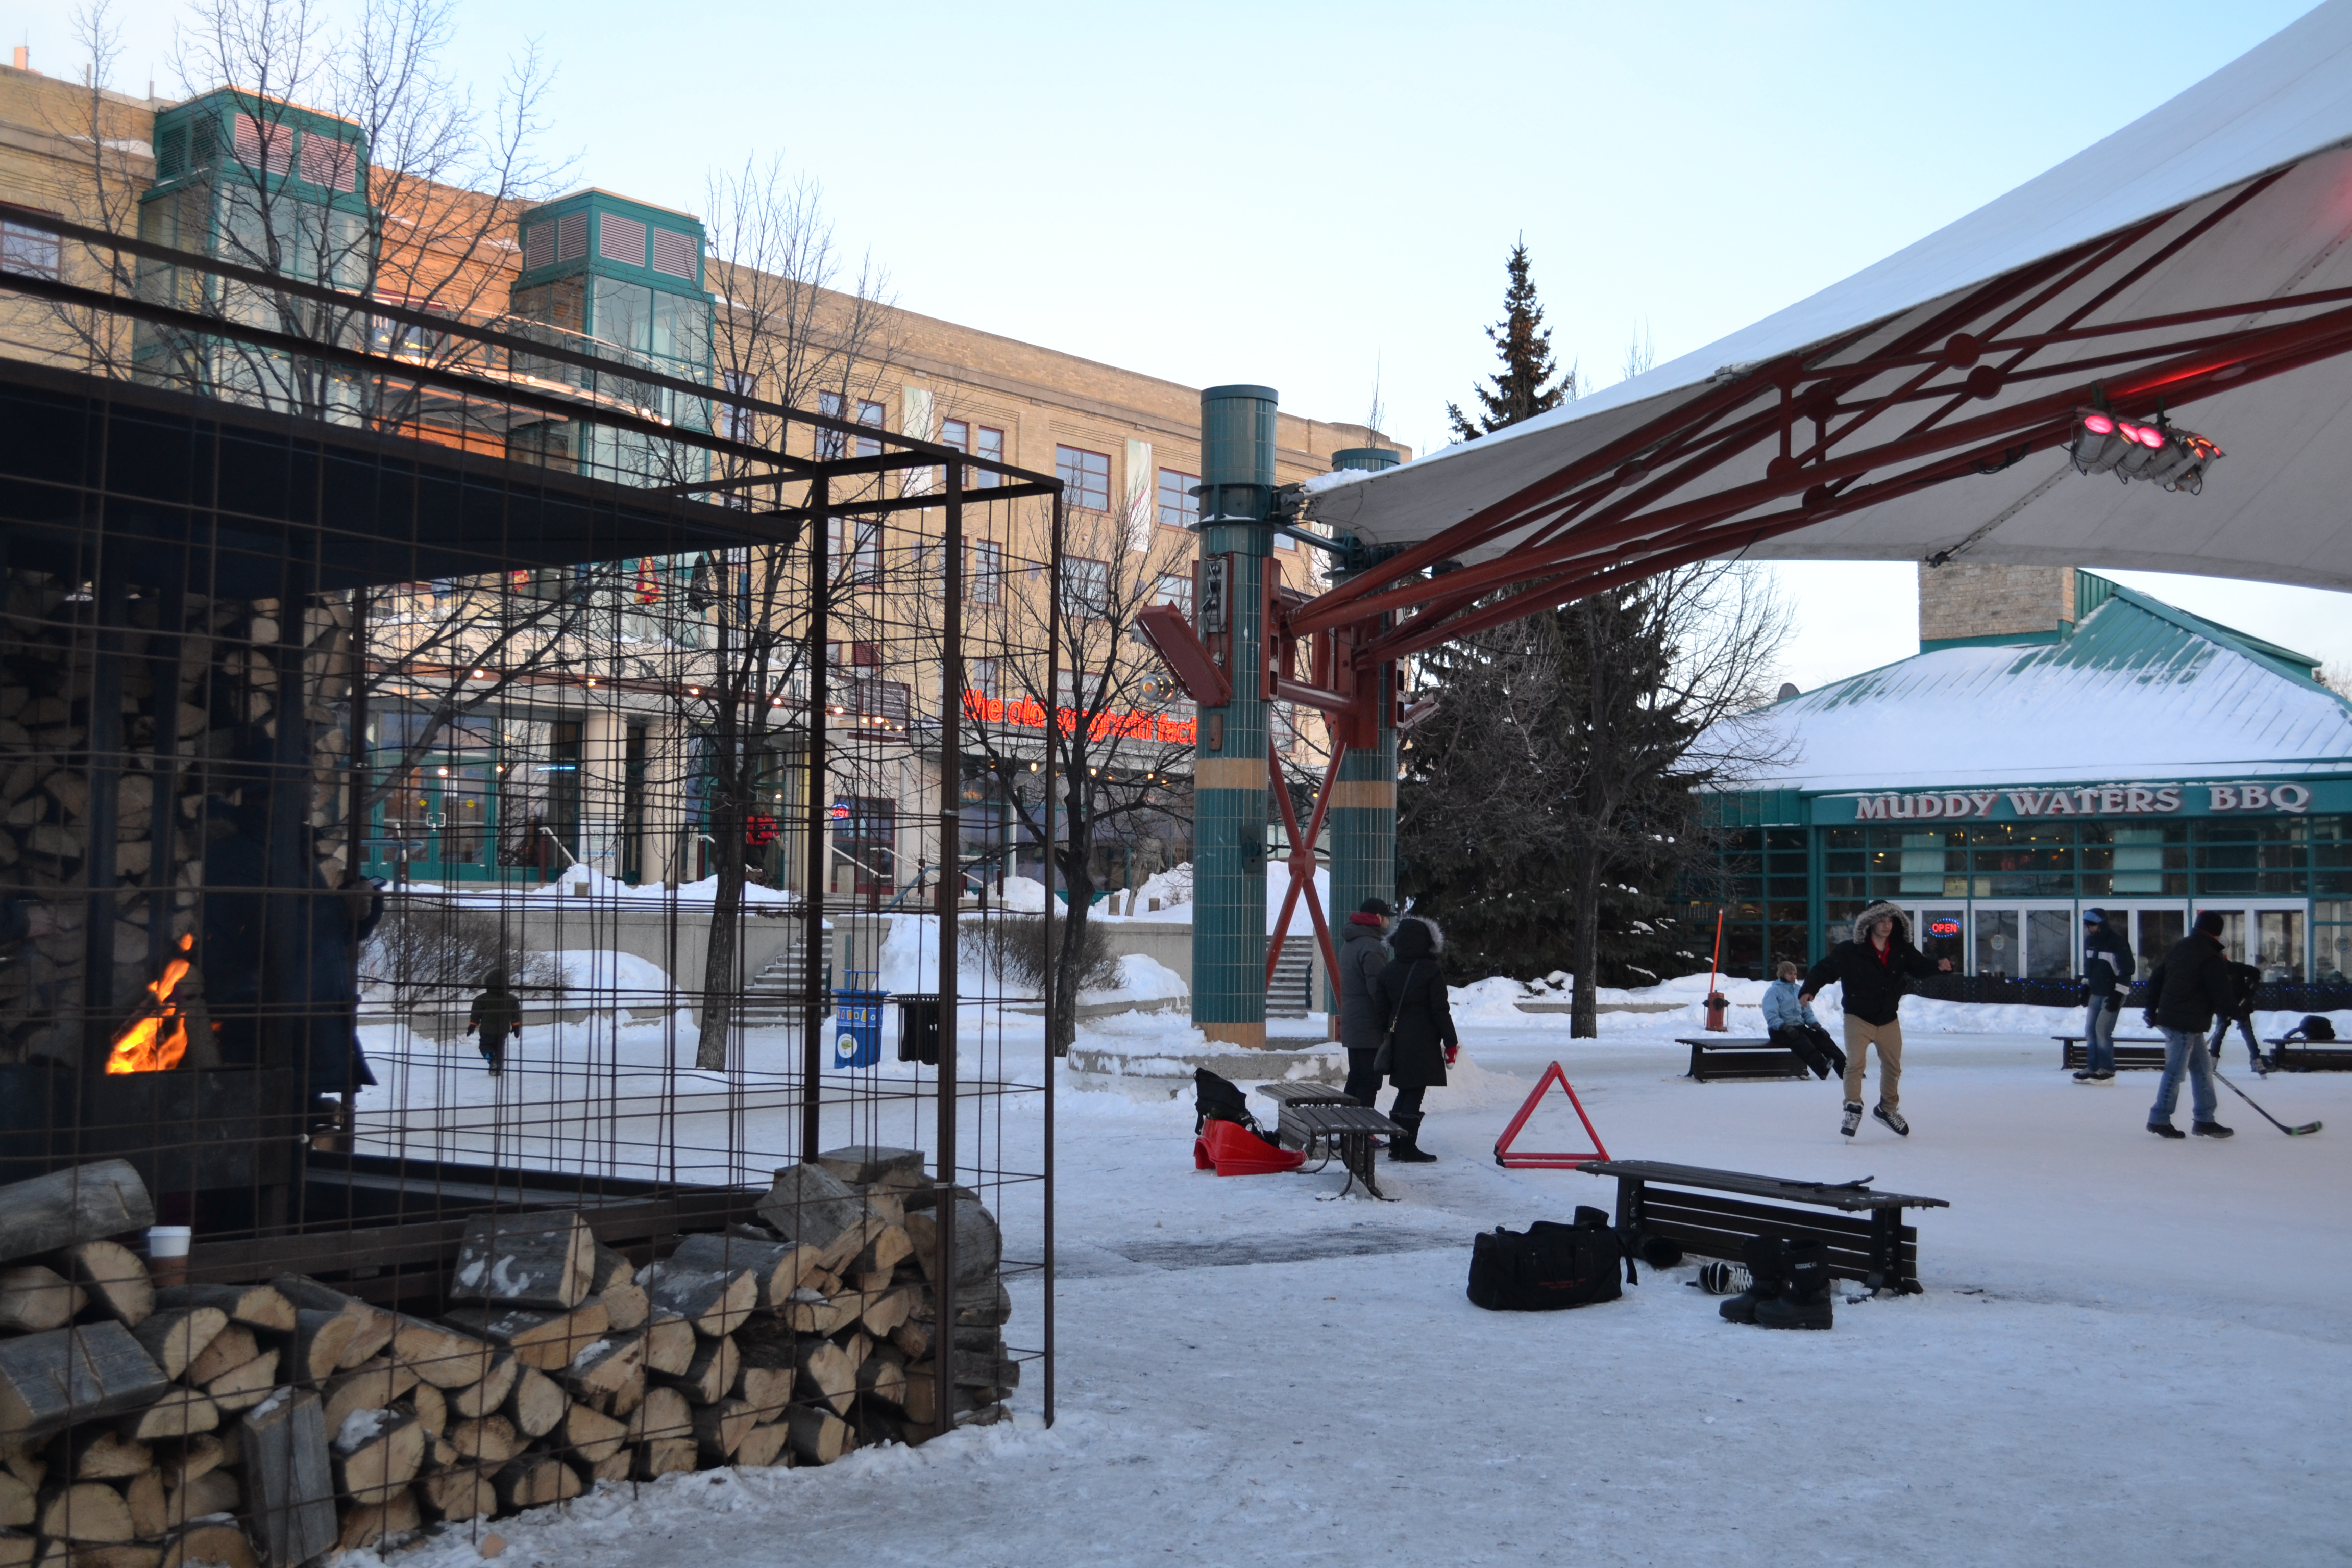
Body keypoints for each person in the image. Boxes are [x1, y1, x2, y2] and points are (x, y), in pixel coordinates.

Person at [1800, 901, 1952, 1138]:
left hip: (1887, 1019)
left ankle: (1887, 1109)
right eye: (1881, 920)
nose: (1886, 925)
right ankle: (1853, 1108)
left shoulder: (1901, 950)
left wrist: (1938, 966)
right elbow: (1825, 969)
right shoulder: (1850, 950)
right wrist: (1809, 988)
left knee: (1893, 1067)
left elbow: (1920, 967)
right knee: (1855, 1064)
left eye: (1890, 921)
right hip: (1858, 1017)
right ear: (1870, 923)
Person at [2140, 910, 2238, 1139]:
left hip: (2183, 1019)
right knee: (2175, 1073)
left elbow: (2157, 978)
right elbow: (2220, 990)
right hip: (2184, 1021)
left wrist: (2151, 1009)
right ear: (2217, 932)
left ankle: (2205, 1120)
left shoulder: (2182, 946)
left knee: (2203, 1070)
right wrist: (2235, 1012)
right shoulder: (2209, 956)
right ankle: (2159, 1119)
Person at [1374, 915, 1457, 1164]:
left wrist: (1387, 1032)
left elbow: (1380, 1010)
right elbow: (1440, 1010)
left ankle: (1397, 1146)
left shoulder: (1388, 971)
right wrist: (1450, 1041)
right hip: (1423, 1040)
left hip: (1398, 1039)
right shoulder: (1430, 971)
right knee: (1414, 1092)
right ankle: (1407, 1148)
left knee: (1404, 1091)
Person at [1336, 898, 1395, 1109]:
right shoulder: (1372, 947)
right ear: (1378, 918)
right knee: (1369, 1081)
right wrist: (1388, 1021)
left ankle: (1347, 1131)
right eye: (1388, 917)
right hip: (1368, 1026)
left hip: (1353, 1023)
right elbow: (1378, 991)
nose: (1389, 922)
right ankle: (1362, 1134)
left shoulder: (1351, 943)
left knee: (1356, 1078)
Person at [2076, 908, 2135, 1084]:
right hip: (2097, 991)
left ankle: (2107, 1070)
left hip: (2113, 992)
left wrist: (2119, 994)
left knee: (2102, 1030)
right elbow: (2089, 966)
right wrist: (2086, 986)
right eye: (2088, 926)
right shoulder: (2090, 941)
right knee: (2090, 1030)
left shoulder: (2117, 941)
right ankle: (2093, 1068)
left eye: (2093, 925)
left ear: (2101, 924)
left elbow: (2127, 969)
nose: (2090, 929)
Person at [1762, 961, 1846, 1081]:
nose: (1793, 977)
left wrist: (1816, 1026)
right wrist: (1785, 1027)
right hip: (1780, 1030)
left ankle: (1846, 1070)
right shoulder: (1773, 992)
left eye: (1795, 974)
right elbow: (1771, 1015)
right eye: (1790, 974)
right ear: (1782, 974)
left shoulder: (1798, 990)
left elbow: (1807, 1012)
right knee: (1802, 1041)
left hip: (1798, 1027)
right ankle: (1822, 1067)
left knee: (1822, 1039)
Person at [2204, 955, 2266, 1075]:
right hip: (2224, 1008)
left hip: (2241, 1007)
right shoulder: (2213, 973)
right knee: (2219, 1033)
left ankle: (2256, 1060)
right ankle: (2213, 1059)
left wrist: (2251, 987)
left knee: (2248, 1035)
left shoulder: (2236, 968)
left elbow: (2255, 973)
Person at [467, 971, 523, 1077]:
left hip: (487, 1029)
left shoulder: (482, 999)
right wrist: (516, 1026)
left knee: (485, 1046)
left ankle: (492, 1061)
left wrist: (473, 1025)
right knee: (500, 1048)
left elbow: (476, 1013)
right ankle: (498, 1068)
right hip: (503, 1029)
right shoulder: (512, 999)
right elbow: (515, 1014)